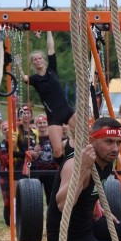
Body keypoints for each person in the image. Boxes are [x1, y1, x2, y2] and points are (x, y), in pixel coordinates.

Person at [21, 31, 73, 164]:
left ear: (43, 60)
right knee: (56, 150)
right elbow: (24, 78)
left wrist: (49, 30)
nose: (38, 60)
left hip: (67, 110)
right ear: (33, 63)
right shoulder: (35, 79)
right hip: (53, 115)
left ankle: (82, 161)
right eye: (35, 59)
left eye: (39, 58)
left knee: (84, 135)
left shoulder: (52, 70)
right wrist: (17, 64)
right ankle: (63, 169)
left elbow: (50, 48)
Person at [30, 114, 59, 201]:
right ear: (36, 124)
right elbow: (28, 150)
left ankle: (50, 214)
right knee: (35, 197)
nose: (42, 125)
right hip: (36, 170)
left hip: (51, 170)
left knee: (51, 197)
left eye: (44, 122)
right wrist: (33, 152)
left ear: (47, 123)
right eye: (40, 123)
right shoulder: (33, 136)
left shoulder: (53, 136)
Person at [0, 120, 12, 225]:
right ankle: (8, 225)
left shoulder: (19, 141)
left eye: (8, 128)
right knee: (8, 202)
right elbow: (6, 161)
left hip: (17, 173)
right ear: (2, 132)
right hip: (5, 175)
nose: (7, 131)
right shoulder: (2, 145)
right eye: (4, 129)